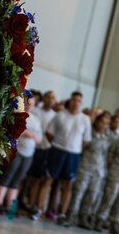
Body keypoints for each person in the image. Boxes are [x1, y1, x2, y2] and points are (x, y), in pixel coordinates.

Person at [38, 91, 91, 226]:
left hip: (73, 154)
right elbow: (49, 133)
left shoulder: (85, 119)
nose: (76, 102)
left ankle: (62, 214)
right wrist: (58, 144)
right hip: (57, 151)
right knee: (48, 180)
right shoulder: (60, 115)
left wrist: (74, 147)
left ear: (81, 103)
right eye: (74, 100)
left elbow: (86, 140)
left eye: (79, 100)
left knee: (68, 185)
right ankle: (39, 209)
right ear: (70, 101)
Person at [0, 94, 42, 214]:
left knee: (17, 180)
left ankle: (10, 206)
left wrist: (33, 135)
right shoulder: (18, 115)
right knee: (7, 177)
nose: (29, 105)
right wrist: (30, 134)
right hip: (16, 151)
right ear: (23, 103)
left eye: (32, 103)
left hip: (29, 153)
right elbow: (17, 131)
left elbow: (39, 138)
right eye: (27, 103)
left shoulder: (36, 119)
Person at [66, 111, 112, 228]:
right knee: (78, 193)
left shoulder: (108, 137)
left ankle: (83, 218)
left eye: (107, 123)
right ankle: (71, 216)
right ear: (96, 121)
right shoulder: (88, 132)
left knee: (92, 195)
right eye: (102, 122)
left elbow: (107, 154)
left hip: (98, 171)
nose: (104, 125)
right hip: (85, 167)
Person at [27, 90, 57, 218]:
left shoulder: (56, 115)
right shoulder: (36, 112)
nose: (50, 100)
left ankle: (38, 206)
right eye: (48, 97)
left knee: (42, 179)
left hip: (48, 150)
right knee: (32, 178)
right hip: (35, 148)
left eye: (53, 98)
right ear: (44, 98)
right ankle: (29, 204)